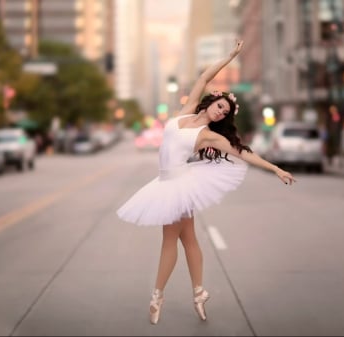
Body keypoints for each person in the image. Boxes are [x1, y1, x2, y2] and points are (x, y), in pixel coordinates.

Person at [116, 39, 296, 325]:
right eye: (220, 106)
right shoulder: (183, 114)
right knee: (189, 240)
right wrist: (229, 57)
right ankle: (199, 293)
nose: (221, 112)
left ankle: (157, 296)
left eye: (225, 112)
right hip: (165, 183)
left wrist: (275, 168)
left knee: (169, 241)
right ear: (212, 101)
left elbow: (243, 152)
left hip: (177, 186)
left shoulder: (210, 137)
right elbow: (204, 77)